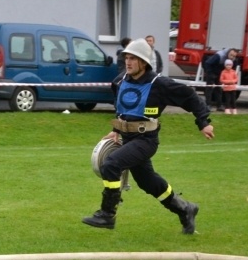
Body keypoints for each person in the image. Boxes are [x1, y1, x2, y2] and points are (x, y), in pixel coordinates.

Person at [82, 38, 214, 234]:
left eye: (133, 58)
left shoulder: (159, 84)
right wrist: (116, 130)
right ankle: (185, 209)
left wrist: (203, 122)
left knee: (111, 164)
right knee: (147, 182)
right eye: (126, 57)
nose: (128, 62)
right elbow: (123, 109)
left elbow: (190, 96)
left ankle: (107, 214)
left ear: (143, 62)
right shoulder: (120, 81)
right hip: (128, 139)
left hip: (146, 140)